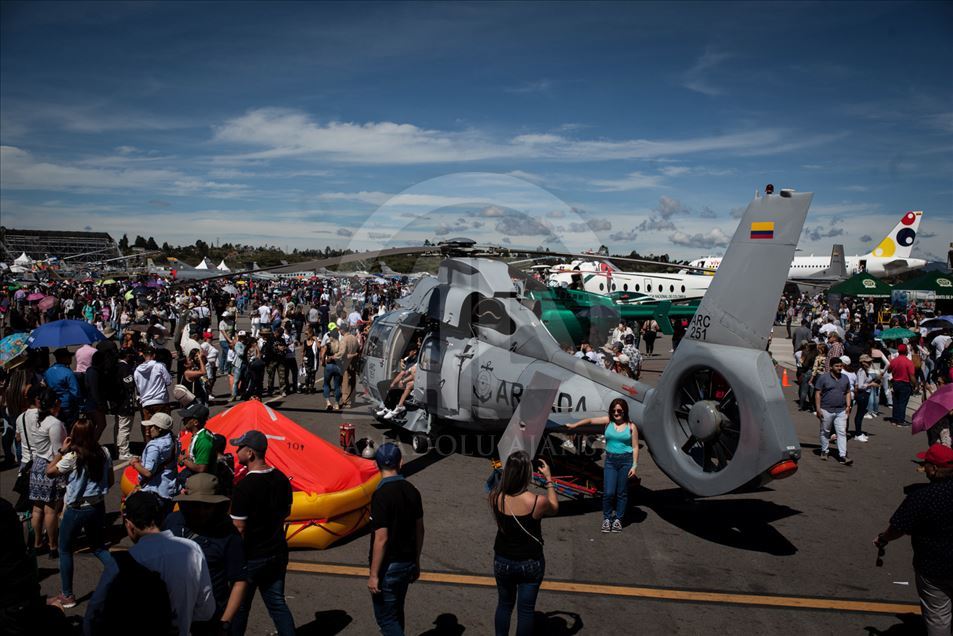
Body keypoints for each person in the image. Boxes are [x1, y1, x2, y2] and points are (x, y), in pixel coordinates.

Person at [84, 490, 215, 636]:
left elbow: (94, 611)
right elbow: (206, 611)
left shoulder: (123, 562)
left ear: (129, 525)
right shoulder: (193, 549)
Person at [874, 443, 953, 636]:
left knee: (938, 615)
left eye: (925, 463)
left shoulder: (922, 496)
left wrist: (883, 539)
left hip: (935, 566)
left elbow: (898, 527)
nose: (923, 466)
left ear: (933, 469)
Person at [229, 430, 295, 636]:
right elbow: (287, 512)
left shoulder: (244, 488)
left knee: (239, 608)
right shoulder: (281, 478)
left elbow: (239, 528)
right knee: (277, 604)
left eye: (240, 447)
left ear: (250, 453)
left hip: (251, 557)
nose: (236, 450)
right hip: (277, 551)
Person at [45, 417, 116, 608]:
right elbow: (110, 481)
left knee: (65, 549)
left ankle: (67, 595)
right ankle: (118, 576)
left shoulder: (72, 457)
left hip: (77, 508)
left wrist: (61, 451)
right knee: (99, 547)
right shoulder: (104, 452)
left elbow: (49, 471)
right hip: (97, 505)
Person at [164, 473, 248, 635]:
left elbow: (239, 581)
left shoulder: (228, 534)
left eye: (207, 505)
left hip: (209, 620)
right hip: (172, 614)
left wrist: (225, 621)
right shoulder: (172, 522)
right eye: (196, 505)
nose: (201, 511)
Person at [489, 451, 558, 636]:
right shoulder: (537, 501)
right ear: (527, 473)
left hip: (503, 558)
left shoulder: (496, 496)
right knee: (526, 611)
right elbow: (555, 508)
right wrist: (549, 479)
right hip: (530, 561)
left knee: (504, 605)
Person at [367, 443, 424, 636]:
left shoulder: (381, 495)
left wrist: (374, 574)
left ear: (376, 465)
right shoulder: (412, 490)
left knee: (386, 619)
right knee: (397, 612)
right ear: (401, 462)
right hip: (407, 563)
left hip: (389, 568)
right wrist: (416, 561)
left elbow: (381, 539)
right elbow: (420, 530)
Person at [567, 398, 639, 532]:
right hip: (611, 461)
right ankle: (607, 518)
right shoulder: (608, 422)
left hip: (626, 461)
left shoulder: (631, 426)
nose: (616, 413)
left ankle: (618, 519)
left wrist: (634, 466)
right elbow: (589, 420)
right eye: (614, 410)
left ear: (624, 411)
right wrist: (574, 426)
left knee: (621, 492)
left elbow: (635, 447)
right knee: (608, 492)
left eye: (619, 410)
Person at [23, 388, 68, 557]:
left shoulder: (34, 419)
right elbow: (58, 450)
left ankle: (36, 544)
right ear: (55, 403)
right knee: (50, 510)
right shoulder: (54, 423)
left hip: (37, 464)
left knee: (37, 508)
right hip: (50, 464)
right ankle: (52, 545)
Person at [130, 412, 179, 519]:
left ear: (160, 429)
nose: (148, 429)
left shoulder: (154, 446)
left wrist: (134, 463)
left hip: (155, 490)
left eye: (152, 426)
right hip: (169, 488)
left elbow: (148, 472)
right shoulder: (173, 439)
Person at [814, 356, 854, 465]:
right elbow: (818, 393)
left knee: (841, 432)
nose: (839, 368)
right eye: (837, 366)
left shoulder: (845, 378)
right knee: (825, 431)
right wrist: (818, 408)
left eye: (841, 366)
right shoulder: (823, 378)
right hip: (826, 409)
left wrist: (848, 406)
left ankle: (842, 455)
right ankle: (824, 450)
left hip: (841, 410)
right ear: (831, 367)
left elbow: (848, 392)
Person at [177, 402, 215, 487]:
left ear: (195, 422)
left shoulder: (203, 440)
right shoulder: (198, 435)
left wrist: (184, 460)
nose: (183, 420)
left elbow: (201, 468)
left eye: (187, 418)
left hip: (200, 483)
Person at [134, 345, 172, 420]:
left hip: (146, 403)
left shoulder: (137, 371)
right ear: (154, 355)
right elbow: (168, 381)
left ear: (144, 356)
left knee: (149, 427)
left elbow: (138, 389)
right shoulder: (159, 366)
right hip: (160, 401)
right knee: (163, 426)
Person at [44, 348, 80, 425]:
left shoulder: (48, 371)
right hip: (68, 406)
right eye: (69, 357)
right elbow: (75, 392)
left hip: (53, 405)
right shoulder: (68, 373)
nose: (71, 359)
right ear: (63, 358)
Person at [887, 343, 916, 425]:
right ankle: (900, 420)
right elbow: (912, 376)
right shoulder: (909, 362)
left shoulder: (894, 361)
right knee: (902, 403)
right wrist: (915, 385)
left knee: (895, 401)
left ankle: (895, 419)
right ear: (906, 351)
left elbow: (889, 371)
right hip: (905, 384)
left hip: (895, 383)